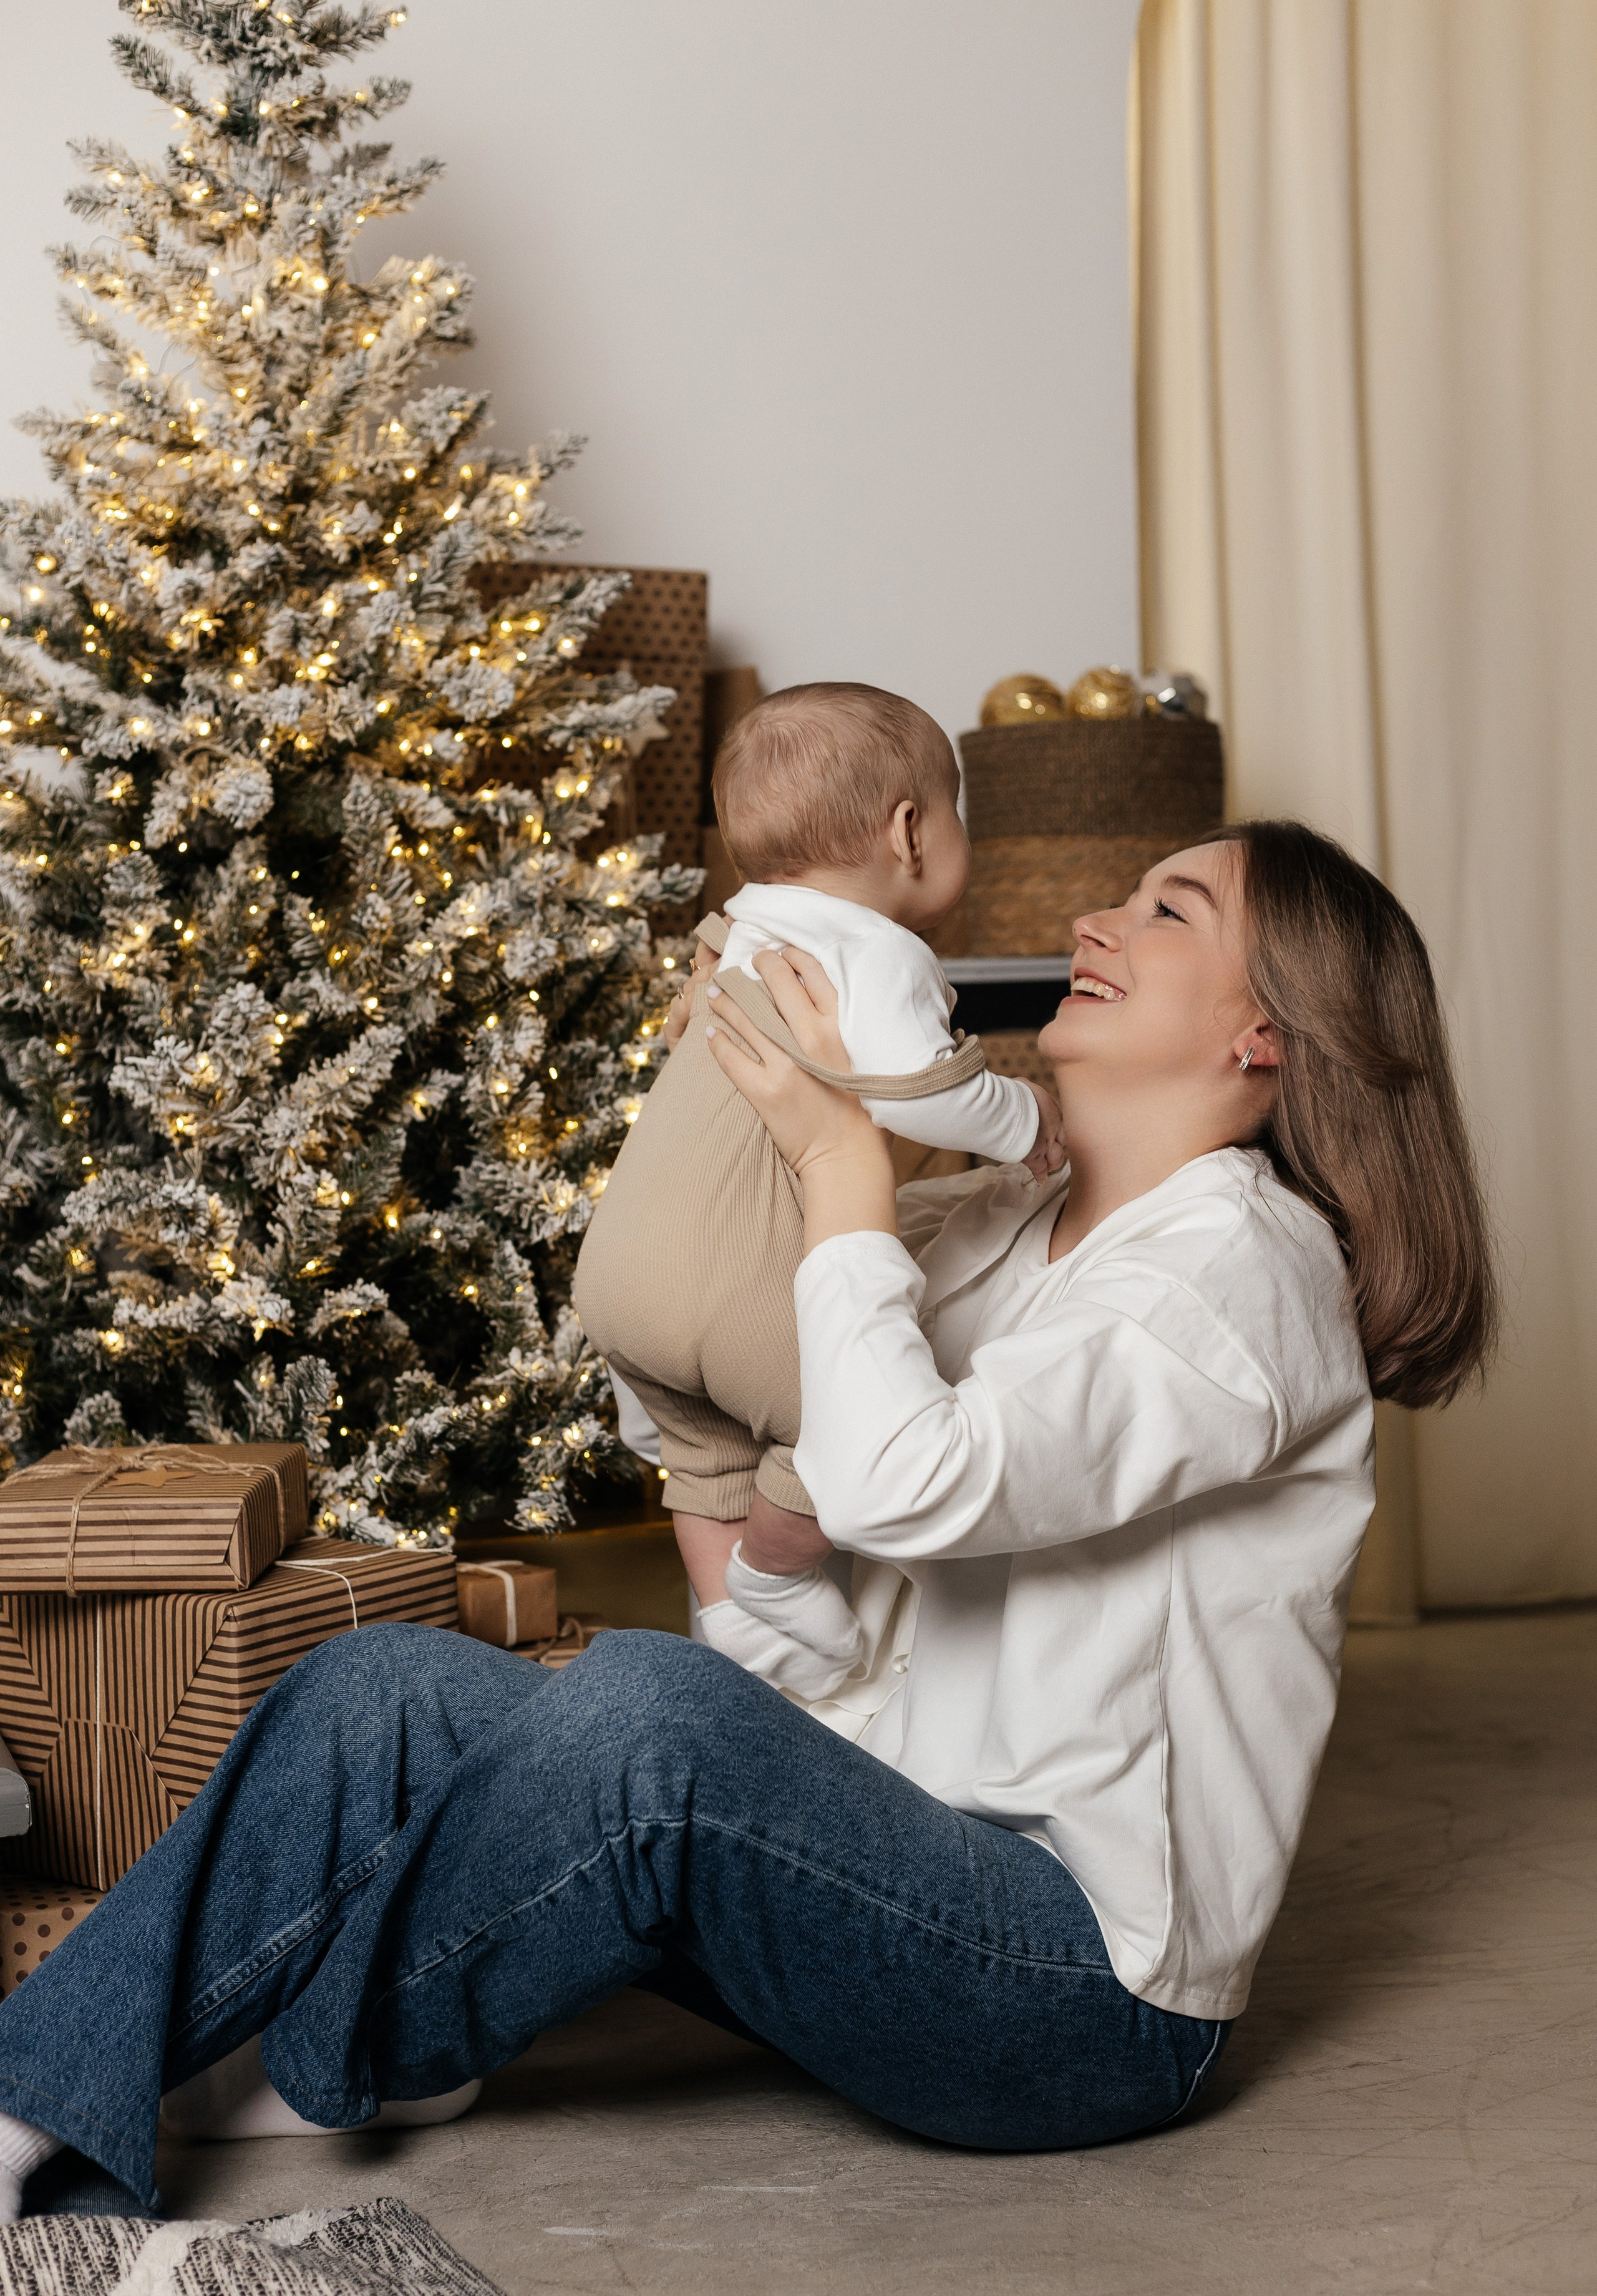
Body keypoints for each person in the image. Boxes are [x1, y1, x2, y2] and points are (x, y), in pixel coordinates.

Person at [0, 820, 1494, 2218]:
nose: (1094, 920)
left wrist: (841, 1164)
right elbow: (711, 1421)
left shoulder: (1241, 1268)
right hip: (870, 1872)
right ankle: (27, 2102)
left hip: (1077, 1995)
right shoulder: (991, 1230)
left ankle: (338, 2051)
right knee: (379, 1686)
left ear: (1265, 1036)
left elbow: (898, 1487)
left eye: (1169, 909)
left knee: (654, 1710)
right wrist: (714, 1135)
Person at [573, 681, 1064, 1666]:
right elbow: (914, 1096)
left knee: (707, 1465)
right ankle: (776, 1574)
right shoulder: (878, 951)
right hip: (726, 1293)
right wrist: (1028, 1115)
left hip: (616, 1279)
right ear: (911, 832)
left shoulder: (742, 927)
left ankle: (733, 1633)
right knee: (847, 1414)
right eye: (957, 812)